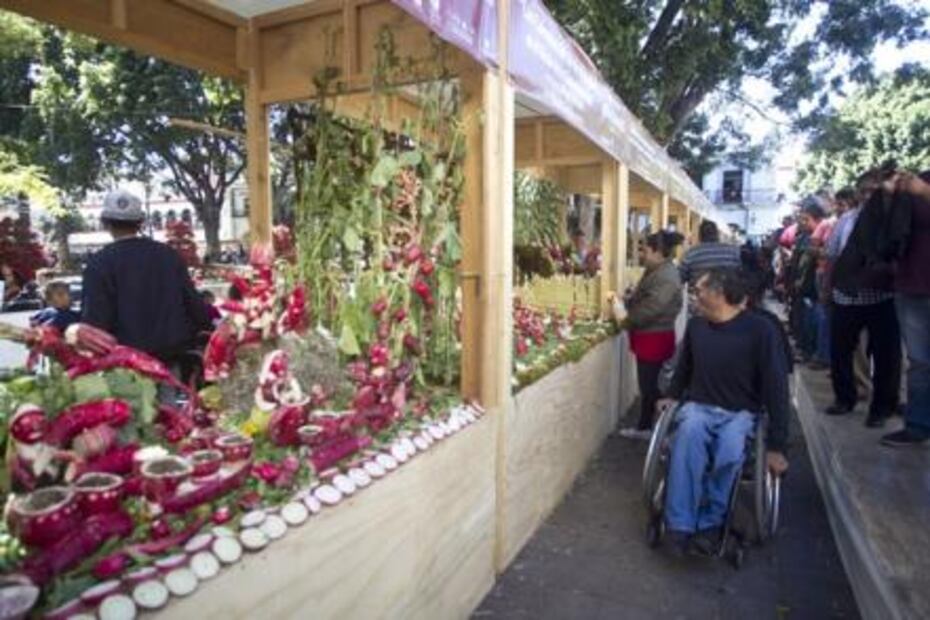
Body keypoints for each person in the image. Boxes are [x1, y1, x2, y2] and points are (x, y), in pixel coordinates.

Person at [659, 267, 790, 554]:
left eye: (699, 290)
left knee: (729, 452)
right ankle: (680, 525)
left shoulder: (760, 330)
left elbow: (776, 386)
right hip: (699, 407)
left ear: (718, 294)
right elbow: (684, 368)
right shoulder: (696, 327)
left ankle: (711, 523)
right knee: (686, 439)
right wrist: (672, 395)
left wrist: (777, 446)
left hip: (741, 413)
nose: (694, 295)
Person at [81, 189, 211, 372]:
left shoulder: (98, 263)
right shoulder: (168, 255)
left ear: (105, 222)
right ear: (141, 222)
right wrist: (204, 327)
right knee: (172, 389)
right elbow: (192, 302)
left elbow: (95, 318)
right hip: (171, 354)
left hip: (124, 362)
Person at [825, 169, 901, 427]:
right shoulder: (846, 220)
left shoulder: (895, 218)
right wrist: (828, 288)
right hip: (846, 296)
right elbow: (832, 256)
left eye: (874, 190)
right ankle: (844, 398)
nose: (869, 196)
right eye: (864, 191)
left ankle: (881, 408)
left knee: (886, 355)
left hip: (883, 296)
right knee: (840, 351)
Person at [610, 231, 684, 440]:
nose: (643, 255)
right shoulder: (659, 270)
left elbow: (652, 308)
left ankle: (655, 427)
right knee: (648, 385)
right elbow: (647, 299)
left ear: (657, 252)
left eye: (646, 251)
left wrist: (626, 319)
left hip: (654, 337)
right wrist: (631, 299)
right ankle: (648, 425)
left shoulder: (666, 275)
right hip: (651, 335)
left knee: (650, 387)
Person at [881, 171, 930, 447]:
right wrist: (888, 194)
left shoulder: (920, 188)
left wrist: (923, 192)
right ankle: (917, 425)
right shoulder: (913, 187)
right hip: (911, 287)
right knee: (920, 363)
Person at [679, 220, 741, 287]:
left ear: (700, 236)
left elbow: (680, 279)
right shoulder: (733, 252)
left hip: (698, 292)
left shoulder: (691, 254)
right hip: (728, 292)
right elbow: (741, 274)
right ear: (717, 234)